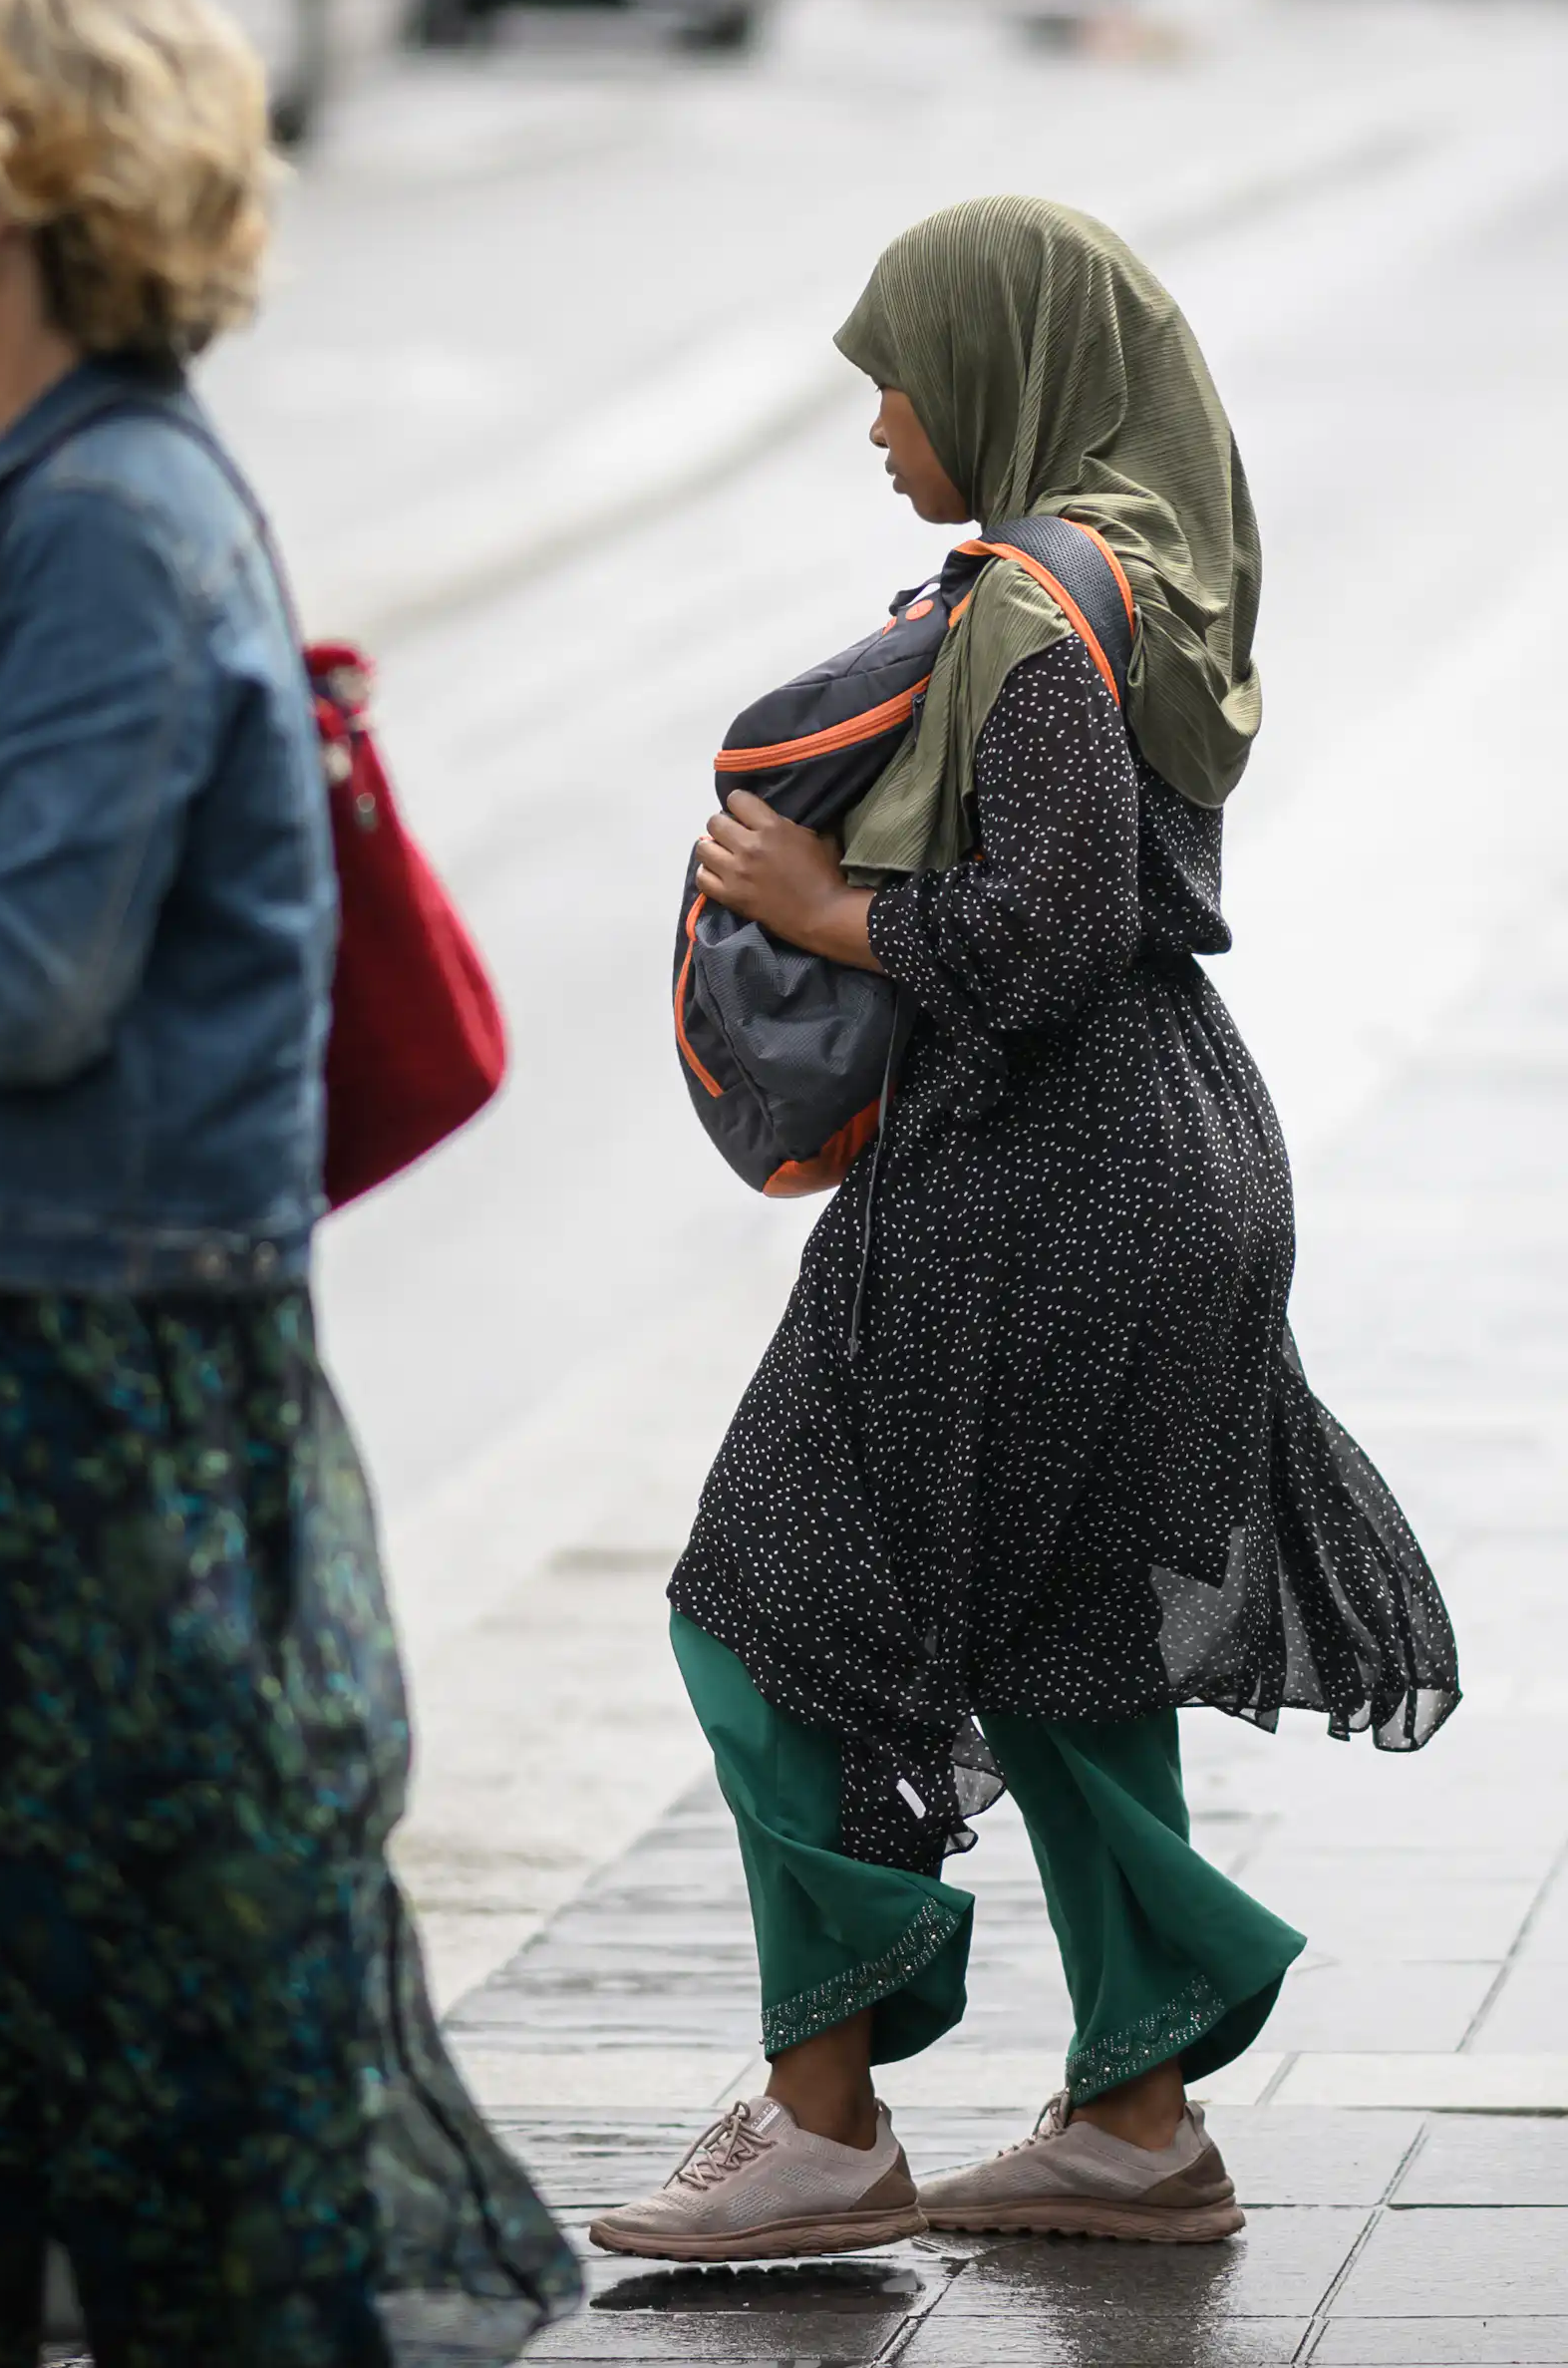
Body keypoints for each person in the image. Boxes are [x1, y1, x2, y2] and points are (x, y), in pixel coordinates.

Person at [0, 0, 575, 2368]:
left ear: (24, 175)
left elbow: (29, 985)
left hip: (90, 1362)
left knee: (111, 1947)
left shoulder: (92, 522)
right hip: (20, 1323)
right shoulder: (68, 501)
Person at [591, 196, 1459, 2262]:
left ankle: (820, 2116)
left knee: (766, 1599)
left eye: (898, 378)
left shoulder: (1026, 614)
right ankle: (1135, 2121)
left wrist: (819, 910)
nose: (881, 424)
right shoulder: (1148, 578)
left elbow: (1043, 936)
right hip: (1173, 1156)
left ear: (999, 372)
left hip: (1034, 1181)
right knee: (1071, 1641)